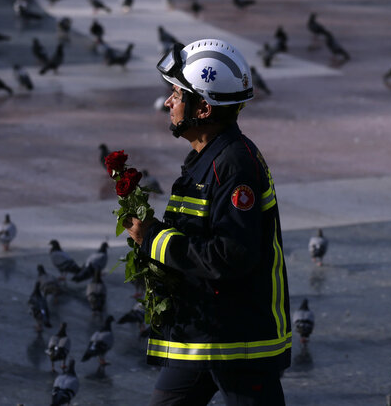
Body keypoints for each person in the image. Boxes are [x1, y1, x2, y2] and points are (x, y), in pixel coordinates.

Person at [123, 39, 291, 405]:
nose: (169, 102)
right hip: (203, 328)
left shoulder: (234, 165)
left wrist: (153, 238)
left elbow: (232, 254)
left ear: (202, 108)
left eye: (176, 94)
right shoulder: (206, 158)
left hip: (238, 340)